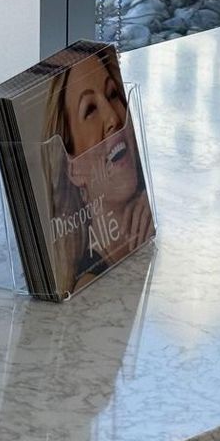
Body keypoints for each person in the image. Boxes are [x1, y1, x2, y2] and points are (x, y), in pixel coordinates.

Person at [42, 45, 155, 296]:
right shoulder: (88, 288)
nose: (114, 117)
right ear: (74, 168)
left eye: (113, 94)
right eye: (90, 109)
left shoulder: (146, 226)